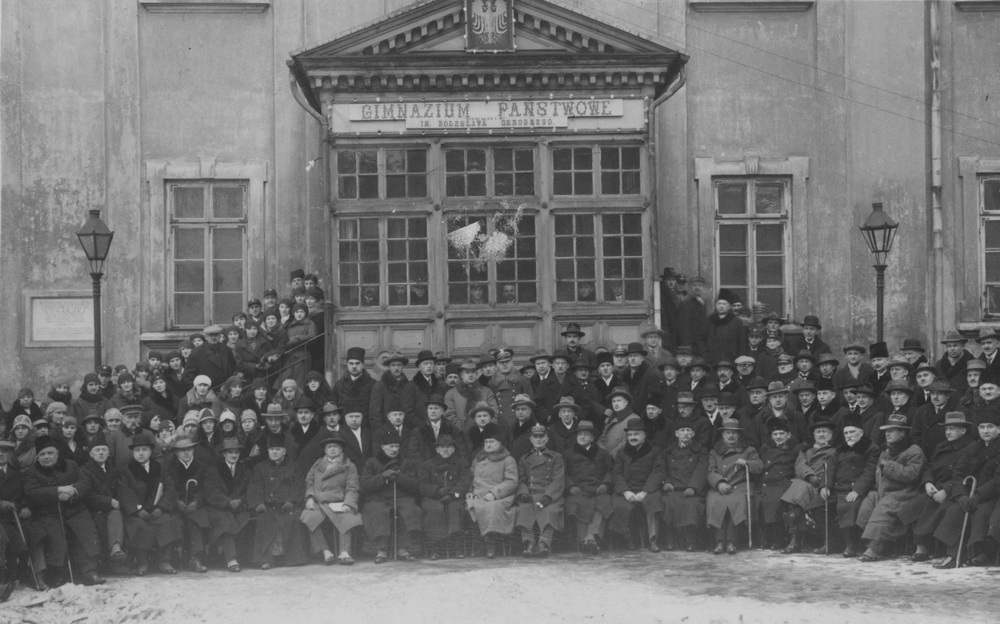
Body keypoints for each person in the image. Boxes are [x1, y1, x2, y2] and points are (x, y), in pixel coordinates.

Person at [22, 435, 105, 586]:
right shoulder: (32, 472)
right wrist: (58, 491)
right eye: (42, 454)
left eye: (50, 453)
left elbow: (85, 482)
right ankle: (58, 574)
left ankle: (89, 572)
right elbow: (32, 492)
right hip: (49, 514)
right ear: (37, 457)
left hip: (76, 510)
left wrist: (73, 491)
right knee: (55, 538)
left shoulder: (71, 465)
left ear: (57, 453)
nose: (46, 457)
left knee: (84, 531)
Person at [931, 407, 1000, 568]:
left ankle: (979, 553)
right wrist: (961, 495)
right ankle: (952, 555)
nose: (985, 431)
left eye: (990, 427)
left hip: (991, 495)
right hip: (970, 494)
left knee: (981, 512)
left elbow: (998, 480)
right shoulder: (973, 448)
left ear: (999, 429)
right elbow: (958, 474)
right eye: (982, 427)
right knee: (955, 509)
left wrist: (977, 496)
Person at [855, 414, 926, 562]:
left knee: (885, 507)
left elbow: (912, 475)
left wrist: (888, 465)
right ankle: (878, 544)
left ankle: (874, 548)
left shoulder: (914, 450)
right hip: (886, 492)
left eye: (892, 430)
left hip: (905, 492)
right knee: (869, 501)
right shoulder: (886, 452)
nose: (887, 434)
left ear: (902, 433)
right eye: (886, 431)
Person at [905, 412, 974, 562]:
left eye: (953, 429)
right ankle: (920, 545)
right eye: (947, 429)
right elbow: (929, 467)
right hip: (936, 487)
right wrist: (927, 482)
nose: (948, 432)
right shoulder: (942, 446)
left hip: (957, 490)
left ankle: (927, 547)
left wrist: (946, 490)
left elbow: (964, 474)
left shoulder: (970, 447)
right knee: (916, 504)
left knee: (937, 507)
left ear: (963, 431)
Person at [360, 428, 422, 563]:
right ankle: (381, 550)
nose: (394, 449)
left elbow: (414, 484)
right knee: (377, 512)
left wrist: (399, 477)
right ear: (382, 447)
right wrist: (382, 477)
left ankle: (403, 548)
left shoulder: (406, 463)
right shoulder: (372, 462)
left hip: (401, 498)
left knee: (409, 509)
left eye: (396, 446)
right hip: (378, 499)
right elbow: (364, 484)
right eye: (391, 446)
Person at [247, 434, 308, 570]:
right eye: (272, 449)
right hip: (267, 506)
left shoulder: (294, 466)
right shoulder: (259, 467)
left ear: (284, 451)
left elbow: (298, 485)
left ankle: (292, 558)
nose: (274, 452)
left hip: (287, 506)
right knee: (264, 520)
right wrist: (258, 503)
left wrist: (291, 501)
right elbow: (254, 487)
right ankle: (265, 559)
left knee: (292, 520)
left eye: (278, 449)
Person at [301, 434, 362, 566]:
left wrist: (348, 503)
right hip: (319, 501)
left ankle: (344, 552)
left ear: (341, 449)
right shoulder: (317, 464)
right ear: (325, 450)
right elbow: (309, 482)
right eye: (329, 447)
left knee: (347, 516)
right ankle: (326, 552)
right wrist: (310, 497)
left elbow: (352, 487)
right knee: (309, 517)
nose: (332, 449)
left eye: (336, 446)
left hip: (338, 500)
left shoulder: (349, 465)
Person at [778, 420, 837, 554]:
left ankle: (794, 530)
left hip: (823, 484)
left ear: (830, 435)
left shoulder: (834, 451)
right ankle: (795, 536)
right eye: (818, 432)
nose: (821, 435)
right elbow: (800, 465)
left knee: (799, 491)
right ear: (814, 435)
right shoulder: (806, 450)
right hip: (809, 482)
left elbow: (832, 468)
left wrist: (821, 480)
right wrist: (810, 476)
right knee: (800, 485)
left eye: (824, 432)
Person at [609, 416, 666, 552]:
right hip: (628, 489)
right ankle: (627, 539)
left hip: (648, 489)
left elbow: (658, 472)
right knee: (620, 505)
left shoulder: (655, 451)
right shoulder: (622, 453)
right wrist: (625, 491)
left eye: (636, 434)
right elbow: (617, 473)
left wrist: (645, 491)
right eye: (630, 435)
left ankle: (653, 540)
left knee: (652, 503)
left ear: (644, 435)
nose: (633, 437)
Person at [706, 418, 762, 555]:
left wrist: (747, 462)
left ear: (739, 435)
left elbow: (759, 466)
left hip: (739, 485)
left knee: (737, 502)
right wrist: (719, 483)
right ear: (723, 434)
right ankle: (719, 542)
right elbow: (711, 471)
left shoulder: (749, 450)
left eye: (734, 433)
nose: (731, 436)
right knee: (716, 501)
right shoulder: (714, 452)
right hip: (719, 486)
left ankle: (731, 542)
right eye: (728, 432)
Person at [416, 434, 471, 560]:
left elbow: (465, 481)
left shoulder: (461, 463)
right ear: (437, 449)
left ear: (453, 449)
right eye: (442, 447)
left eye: (449, 447)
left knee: (454, 509)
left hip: (454, 497)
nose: (445, 450)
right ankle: (436, 547)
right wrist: (438, 491)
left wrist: (452, 494)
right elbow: (422, 485)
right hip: (433, 497)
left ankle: (456, 546)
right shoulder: (427, 465)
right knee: (434, 509)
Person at [467, 423, 518, 558]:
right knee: (470, 505)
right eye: (486, 442)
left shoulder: (508, 460)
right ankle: (479, 543)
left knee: (491, 508)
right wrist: (470, 491)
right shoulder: (478, 459)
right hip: (478, 494)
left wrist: (494, 493)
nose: (488, 445)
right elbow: (471, 478)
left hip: (500, 496)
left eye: (492, 442)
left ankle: (491, 544)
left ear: (499, 443)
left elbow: (511, 482)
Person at [831, 413, 879, 557]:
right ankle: (830, 542)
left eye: (852, 432)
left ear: (861, 433)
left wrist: (857, 490)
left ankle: (850, 544)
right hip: (838, 488)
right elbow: (830, 468)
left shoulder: (871, 448)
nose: (849, 436)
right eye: (846, 433)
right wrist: (825, 486)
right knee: (817, 503)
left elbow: (869, 472)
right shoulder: (840, 449)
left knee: (849, 505)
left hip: (855, 489)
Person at [514, 425, 565, 558]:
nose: (538, 439)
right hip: (530, 495)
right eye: (535, 436)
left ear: (546, 439)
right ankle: (529, 543)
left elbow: (558, 479)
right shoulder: (524, 458)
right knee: (524, 509)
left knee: (550, 511)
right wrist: (523, 493)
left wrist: (548, 497)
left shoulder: (556, 457)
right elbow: (521, 479)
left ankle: (544, 543)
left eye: (541, 436)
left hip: (549, 495)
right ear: (531, 439)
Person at [563, 421, 613, 554]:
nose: (582, 436)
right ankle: (585, 541)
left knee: (604, 502)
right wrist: (570, 486)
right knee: (579, 504)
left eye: (586, 434)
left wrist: (606, 484)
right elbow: (563, 474)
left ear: (592, 438)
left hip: (597, 489)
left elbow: (610, 471)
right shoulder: (567, 454)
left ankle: (590, 536)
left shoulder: (602, 453)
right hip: (578, 490)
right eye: (580, 434)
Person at [78, 432, 126, 570]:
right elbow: (87, 494)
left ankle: (116, 549)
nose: (101, 453)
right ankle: (105, 562)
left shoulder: (113, 469)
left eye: (104, 450)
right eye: (97, 450)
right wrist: (109, 501)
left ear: (108, 452)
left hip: (113, 508)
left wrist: (118, 502)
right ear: (91, 454)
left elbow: (121, 488)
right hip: (94, 509)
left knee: (116, 514)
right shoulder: (85, 470)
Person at [203, 437, 251, 572]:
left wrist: (241, 500)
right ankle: (231, 559)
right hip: (219, 507)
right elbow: (211, 492)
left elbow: (250, 489)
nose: (234, 455)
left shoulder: (245, 470)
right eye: (230, 452)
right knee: (226, 521)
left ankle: (241, 557)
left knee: (245, 520)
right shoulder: (213, 470)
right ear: (224, 454)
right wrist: (227, 502)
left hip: (239, 506)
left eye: (236, 452)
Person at [660, 420, 708, 551]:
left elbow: (702, 469)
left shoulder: (700, 450)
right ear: (676, 434)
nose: (685, 433)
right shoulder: (668, 451)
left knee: (691, 505)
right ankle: (670, 540)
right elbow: (661, 468)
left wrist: (693, 486)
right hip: (673, 488)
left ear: (693, 433)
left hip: (692, 490)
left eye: (688, 430)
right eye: (682, 430)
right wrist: (666, 482)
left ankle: (690, 541)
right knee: (668, 502)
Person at [756, 418, 798, 550]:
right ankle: (766, 537)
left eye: (781, 433)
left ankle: (778, 539)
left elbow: (798, 466)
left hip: (783, 482)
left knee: (775, 502)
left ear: (788, 435)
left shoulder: (795, 449)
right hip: (766, 482)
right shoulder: (765, 448)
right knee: (758, 501)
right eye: (775, 434)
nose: (778, 437)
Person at [444, 359, 498, 433]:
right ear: (461, 375)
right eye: (467, 372)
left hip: (484, 433)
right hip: (460, 433)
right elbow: (449, 415)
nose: (470, 375)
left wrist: (487, 428)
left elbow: (494, 412)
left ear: (476, 374)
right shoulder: (451, 393)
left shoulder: (487, 391)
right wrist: (462, 430)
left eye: (473, 372)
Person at [183, 325, 238, 390]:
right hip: (205, 391)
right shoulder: (197, 353)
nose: (213, 337)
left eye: (216, 335)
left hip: (224, 390)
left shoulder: (226, 350)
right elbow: (188, 375)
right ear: (206, 337)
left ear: (219, 336)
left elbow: (233, 369)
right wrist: (197, 391)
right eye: (211, 335)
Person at [402, 350, 448, 427]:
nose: (429, 366)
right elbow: (408, 412)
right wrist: (422, 426)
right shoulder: (411, 386)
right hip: (418, 428)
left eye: (431, 363)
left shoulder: (440, 385)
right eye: (425, 363)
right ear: (419, 367)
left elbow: (444, 408)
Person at [332, 347, 376, 424]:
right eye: (351, 363)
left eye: (357, 363)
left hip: (365, 426)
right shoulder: (339, 385)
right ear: (347, 365)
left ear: (363, 365)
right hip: (344, 427)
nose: (354, 366)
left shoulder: (373, 384)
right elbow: (335, 410)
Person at [369, 352, 409, 432]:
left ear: (403, 367)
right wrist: (381, 432)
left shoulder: (408, 386)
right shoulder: (380, 386)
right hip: (386, 430)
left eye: (399, 365)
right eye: (393, 365)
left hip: (405, 430)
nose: (396, 368)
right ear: (389, 367)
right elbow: (375, 414)